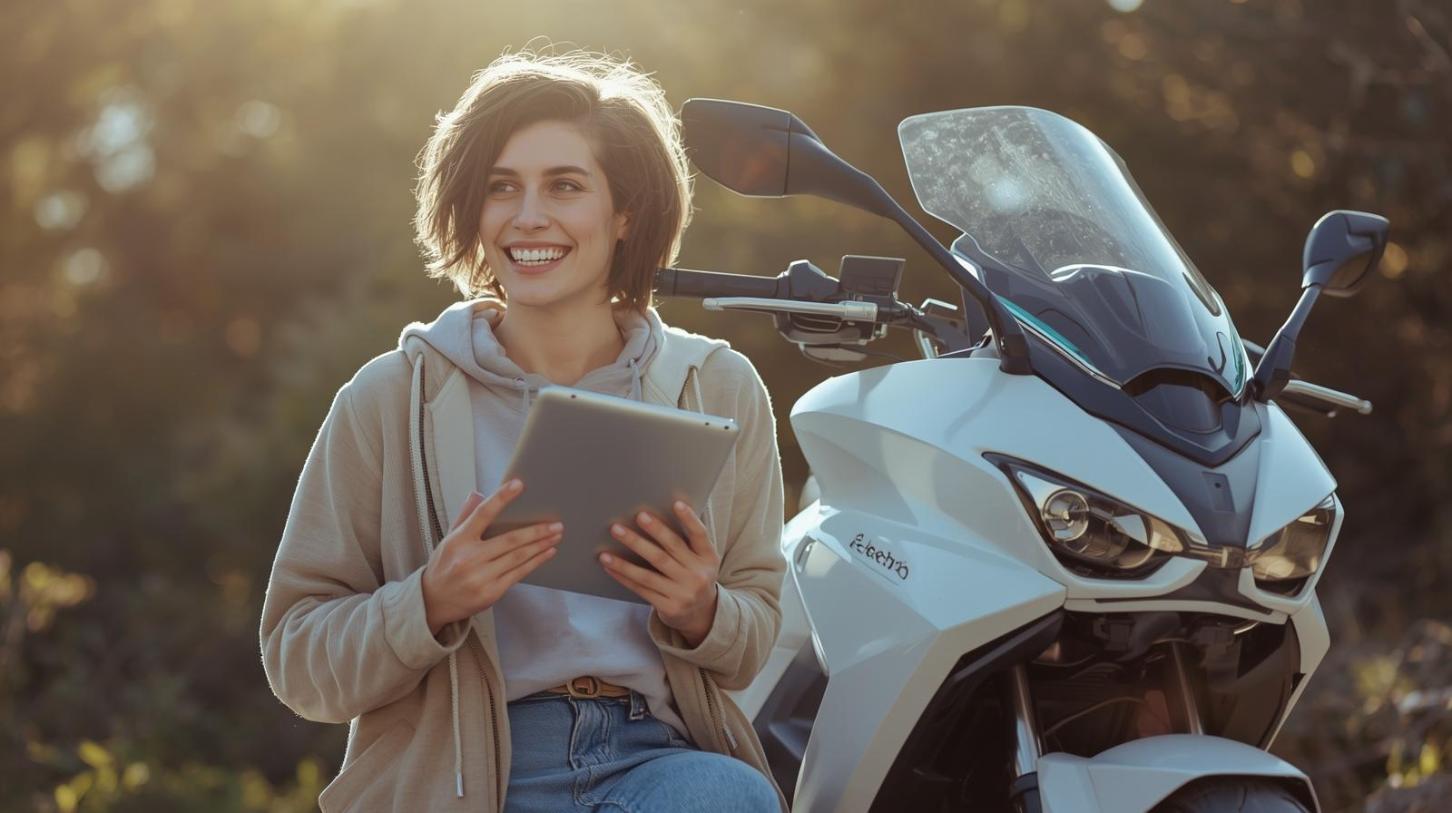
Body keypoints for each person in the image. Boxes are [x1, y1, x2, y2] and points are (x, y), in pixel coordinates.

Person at [259, 49, 787, 812]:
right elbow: (297, 658)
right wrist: (430, 601)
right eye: (501, 188)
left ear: (625, 211)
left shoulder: (719, 386)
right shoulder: (390, 397)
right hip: (461, 771)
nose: (528, 216)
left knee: (728, 798)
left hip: (659, 759)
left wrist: (702, 608)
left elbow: (755, 628)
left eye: (565, 186)